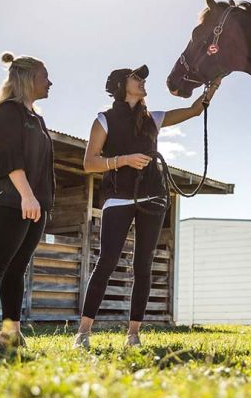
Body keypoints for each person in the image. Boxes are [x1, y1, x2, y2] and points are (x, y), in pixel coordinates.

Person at [73, 65, 218, 349]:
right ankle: (83, 332)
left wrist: (212, 87)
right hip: (119, 198)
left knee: (144, 266)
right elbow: (90, 163)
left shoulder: (154, 118)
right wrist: (123, 160)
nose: (142, 81)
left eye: (142, 78)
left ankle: (133, 334)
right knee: (107, 261)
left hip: (153, 197)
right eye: (136, 77)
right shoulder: (104, 120)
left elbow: (194, 110)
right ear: (120, 85)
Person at [0, 52, 55, 354]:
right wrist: (26, 195)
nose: (50, 83)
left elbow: (42, 166)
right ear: (29, 78)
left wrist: (42, 202)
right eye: (45, 77)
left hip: (34, 204)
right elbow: (9, 158)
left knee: (17, 268)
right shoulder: (7, 111)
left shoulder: (37, 118)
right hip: (8, 199)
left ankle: (11, 333)